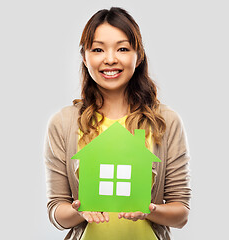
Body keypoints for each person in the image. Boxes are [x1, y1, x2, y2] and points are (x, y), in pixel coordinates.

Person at [44, 7, 191, 240]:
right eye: (98, 49)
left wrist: (150, 210)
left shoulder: (165, 121)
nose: (110, 59)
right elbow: (56, 211)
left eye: (122, 48)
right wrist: (79, 211)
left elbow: (181, 212)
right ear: (85, 57)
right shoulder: (63, 123)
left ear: (138, 55)